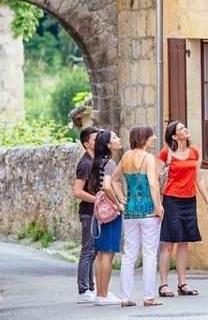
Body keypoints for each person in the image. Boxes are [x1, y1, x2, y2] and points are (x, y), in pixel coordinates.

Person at [107, 125, 164, 307]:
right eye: (151, 135)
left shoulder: (125, 157)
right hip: (148, 210)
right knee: (149, 255)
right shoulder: (148, 158)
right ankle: (148, 297)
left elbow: (114, 179)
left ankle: (125, 297)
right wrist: (158, 207)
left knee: (129, 255)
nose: (154, 138)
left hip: (131, 211)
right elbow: (153, 185)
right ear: (143, 138)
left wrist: (122, 198)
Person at [157, 121, 208, 298]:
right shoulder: (166, 153)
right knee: (169, 243)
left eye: (184, 127)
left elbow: (199, 178)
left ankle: (182, 283)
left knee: (184, 242)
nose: (185, 129)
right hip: (171, 200)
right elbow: (155, 178)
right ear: (174, 136)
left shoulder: (194, 152)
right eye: (181, 128)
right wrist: (158, 204)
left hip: (189, 200)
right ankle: (163, 284)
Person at [87, 129, 125, 306]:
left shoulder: (96, 162)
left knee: (100, 254)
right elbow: (108, 187)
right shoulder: (109, 163)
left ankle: (100, 293)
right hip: (110, 212)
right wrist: (118, 205)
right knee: (108, 254)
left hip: (99, 211)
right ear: (108, 145)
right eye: (115, 138)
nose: (119, 139)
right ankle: (103, 295)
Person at [72, 126, 100, 303]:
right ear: (86, 143)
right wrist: (96, 200)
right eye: (95, 140)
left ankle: (90, 287)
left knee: (93, 251)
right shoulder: (85, 164)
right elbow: (77, 191)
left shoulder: (94, 161)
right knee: (88, 251)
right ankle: (83, 290)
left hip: (95, 213)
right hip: (88, 213)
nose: (99, 142)